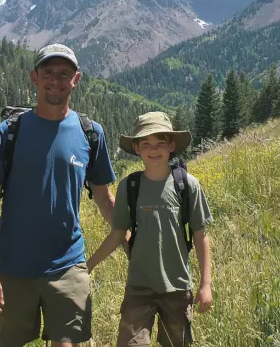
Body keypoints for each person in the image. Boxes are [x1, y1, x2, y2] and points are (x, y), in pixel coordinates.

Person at [0, 43, 119, 347]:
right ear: (34, 76)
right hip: (13, 269)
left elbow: (105, 199)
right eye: (48, 72)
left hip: (68, 266)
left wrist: (134, 237)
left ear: (76, 79)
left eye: (64, 74)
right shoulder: (8, 133)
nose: (56, 80)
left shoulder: (91, 134)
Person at [86, 111, 214, 347]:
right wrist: (89, 265)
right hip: (139, 286)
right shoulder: (129, 186)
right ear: (136, 148)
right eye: (146, 143)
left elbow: (200, 236)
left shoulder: (187, 185)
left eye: (160, 143)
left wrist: (206, 285)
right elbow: (117, 234)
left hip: (177, 287)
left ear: (171, 145)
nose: (153, 149)